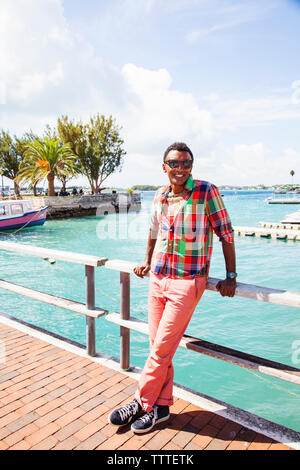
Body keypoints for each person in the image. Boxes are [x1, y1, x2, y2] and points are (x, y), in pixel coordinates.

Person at [108, 142, 236, 434]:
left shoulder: (206, 192)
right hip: (158, 278)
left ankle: (140, 402)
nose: (180, 169)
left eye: (186, 164)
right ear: (163, 166)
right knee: (158, 349)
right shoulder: (159, 196)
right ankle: (161, 408)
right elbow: (154, 231)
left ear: (192, 166)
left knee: (162, 349)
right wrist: (145, 261)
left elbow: (226, 233)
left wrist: (231, 275)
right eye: (174, 163)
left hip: (187, 282)